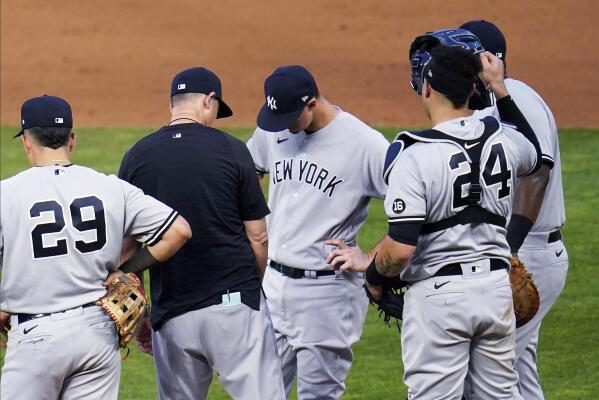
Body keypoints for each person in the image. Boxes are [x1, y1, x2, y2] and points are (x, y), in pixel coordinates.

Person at [327, 37, 543, 398]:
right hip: (495, 289)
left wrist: (375, 277)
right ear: (474, 89)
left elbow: (399, 250)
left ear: (426, 87)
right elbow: (532, 151)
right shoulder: (503, 140)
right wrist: (500, 88)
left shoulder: (412, 154)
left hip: (440, 299)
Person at [0, 95, 191, 400]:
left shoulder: (6, 194)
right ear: (71, 140)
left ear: (26, 140)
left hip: (36, 338)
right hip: (97, 333)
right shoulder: (111, 186)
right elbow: (178, 230)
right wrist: (124, 271)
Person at [117, 67, 285, 400]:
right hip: (234, 305)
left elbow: (127, 252)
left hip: (172, 314)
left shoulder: (136, 157)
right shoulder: (233, 150)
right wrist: (252, 289)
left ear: (172, 104)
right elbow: (259, 237)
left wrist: (144, 315)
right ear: (208, 101)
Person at [246, 65, 389, 399]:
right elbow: (251, 168)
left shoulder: (365, 144)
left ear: (311, 104)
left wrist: (370, 258)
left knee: (318, 396)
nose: (281, 128)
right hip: (273, 286)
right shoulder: (275, 128)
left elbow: (415, 206)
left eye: (289, 118)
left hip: (327, 293)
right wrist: (253, 226)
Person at [461, 19, 569, 400]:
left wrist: (508, 249)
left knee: (484, 377)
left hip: (528, 251)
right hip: (520, 250)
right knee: (517, 375)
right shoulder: (490, 103)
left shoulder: (518, 100)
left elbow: (534, 177)